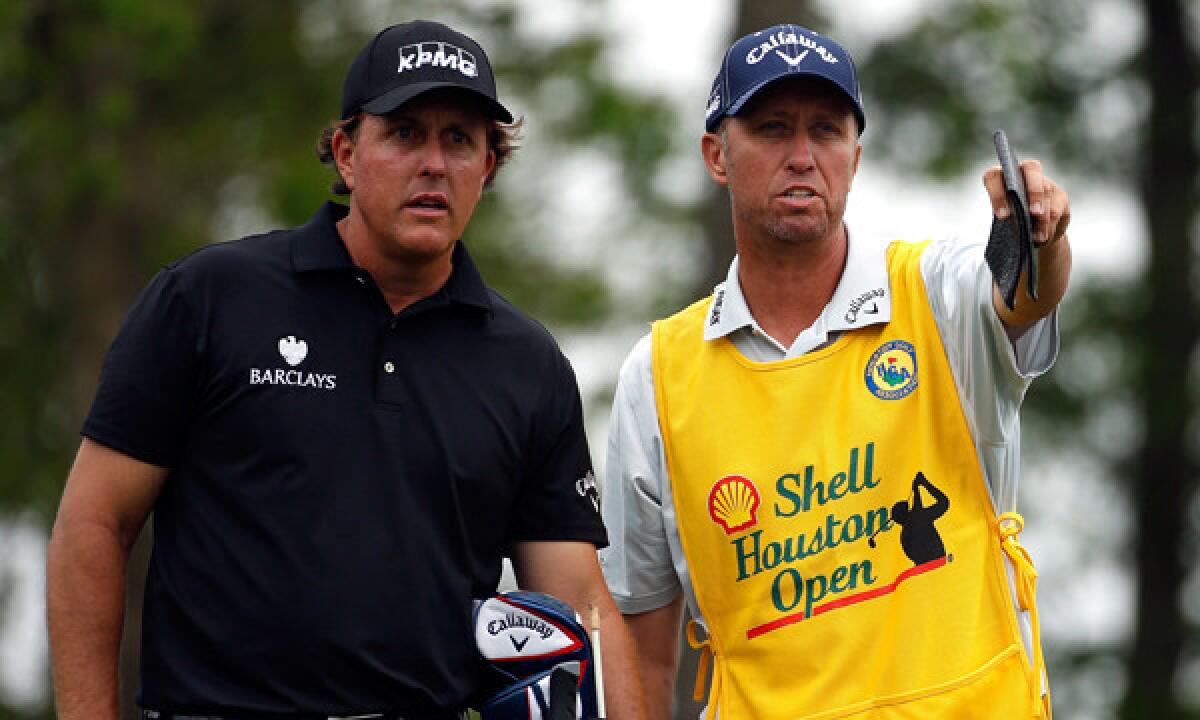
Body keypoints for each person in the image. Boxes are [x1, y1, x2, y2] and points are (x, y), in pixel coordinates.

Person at [47, 19, 645, 720]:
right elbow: (94, 524)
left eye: (459, 139)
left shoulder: (526, 363)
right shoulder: (208, 298)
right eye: (404, 133)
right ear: (346, 151)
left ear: (488, 167)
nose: (433, 163)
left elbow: (580, 601)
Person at [600, 23, 1069, 720]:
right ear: (716, 155)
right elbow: (641, 643)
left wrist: (1043, 241)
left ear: (856, 155)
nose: (801, 155)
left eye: (825, 129)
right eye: (770, 128)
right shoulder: (658, 374)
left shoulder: (936, 292)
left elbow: (1025, 291)